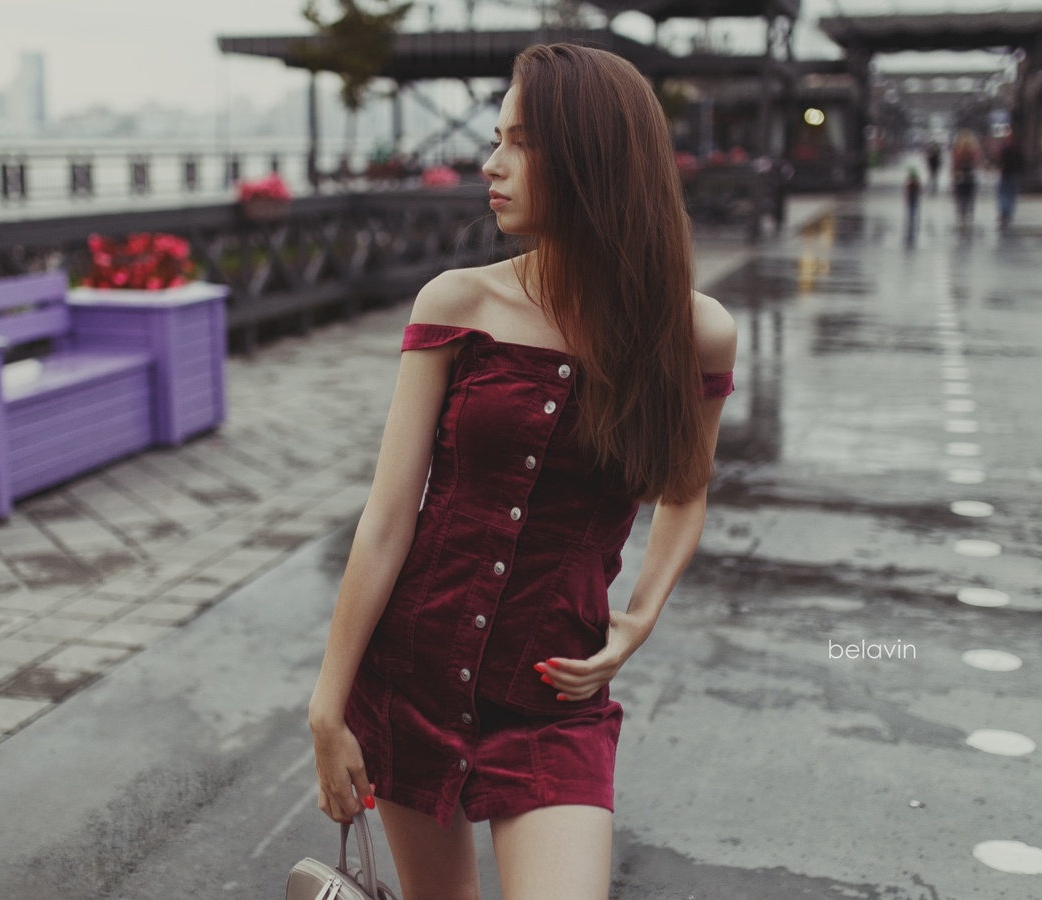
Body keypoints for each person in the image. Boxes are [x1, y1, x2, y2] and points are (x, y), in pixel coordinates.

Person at [306, 43, 737, 900]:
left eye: (520, 141)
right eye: (494, 138)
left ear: (591, 156)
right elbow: (390, 517)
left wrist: (639, 616)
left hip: (553, 697)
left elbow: (686, 485)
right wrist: (329, 704)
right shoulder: (458, 304)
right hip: (412, 677)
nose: (490, 165)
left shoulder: (694, 331)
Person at [951, 130, 982, 229]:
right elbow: (977, 163)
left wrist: (955, 174)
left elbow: (954, 164)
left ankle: (962, 216)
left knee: (960, 198)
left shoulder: (958, 150)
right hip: (970, 177)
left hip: (960, 177)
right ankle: (968, 214)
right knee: (969, 197)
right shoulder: (973, 151)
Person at [997, 135, 1027, 229]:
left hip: (1006, 175)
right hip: (1014, 175)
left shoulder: (1005, 150)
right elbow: (1022, 163)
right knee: (1011, 196)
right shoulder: (1018, 150)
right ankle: (1008, 214)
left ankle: (1004, 213)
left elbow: (1000, 161)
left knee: (1004, 195)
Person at [905, 166, 922, 240]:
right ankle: (912, 218)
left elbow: (908, 190)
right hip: (913, 198)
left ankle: (912, 219)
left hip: (912, 198)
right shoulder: (914, 181)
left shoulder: (911, 182)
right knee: (912, 209)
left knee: (912, 209)